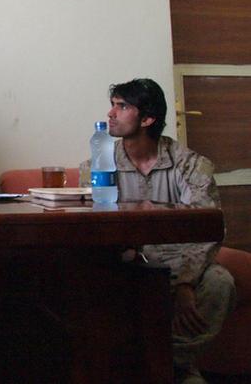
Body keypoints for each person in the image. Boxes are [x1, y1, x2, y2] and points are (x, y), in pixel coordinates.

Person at [80, 78, 235, 384]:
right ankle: (169, 369)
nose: (111, 113)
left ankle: (167, 364)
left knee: (221, 282)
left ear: (147, 119)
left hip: (181, 258)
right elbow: (92, 229)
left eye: (122, 106)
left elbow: (207, 228)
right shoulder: (98, 165)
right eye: (112, 105)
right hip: (129, 259)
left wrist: (185, 283)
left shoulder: (190, 165)